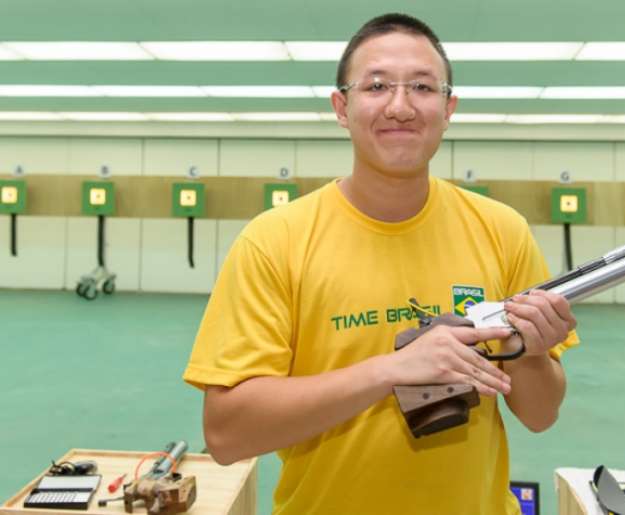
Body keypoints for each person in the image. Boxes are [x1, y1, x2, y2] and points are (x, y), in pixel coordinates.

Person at [183, 12, 579, 515]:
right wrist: (390, 370)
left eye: (421, 86)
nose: (400, 106)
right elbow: (226, 434)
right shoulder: (275, 241)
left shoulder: (502, 230)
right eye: (376, 86)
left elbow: (541, 415)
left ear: (449, 106)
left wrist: (531, 354)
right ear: (341, 107)